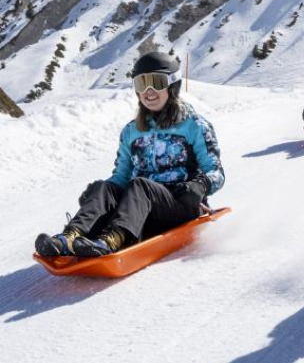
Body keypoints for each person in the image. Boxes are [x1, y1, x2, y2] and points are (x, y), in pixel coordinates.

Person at [35, 51, 225, 258]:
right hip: (140, 209)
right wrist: (97, 196)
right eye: (142, 83)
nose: (149, 91)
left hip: (180, 204)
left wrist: (201, 185)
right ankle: (70, 238)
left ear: (172, 85)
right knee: (106, 187)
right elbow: (121, 177)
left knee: (140, 185)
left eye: (156, 82)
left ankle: (112, 240)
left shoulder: (194, 126)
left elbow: (216, 171)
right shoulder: (131, 131)